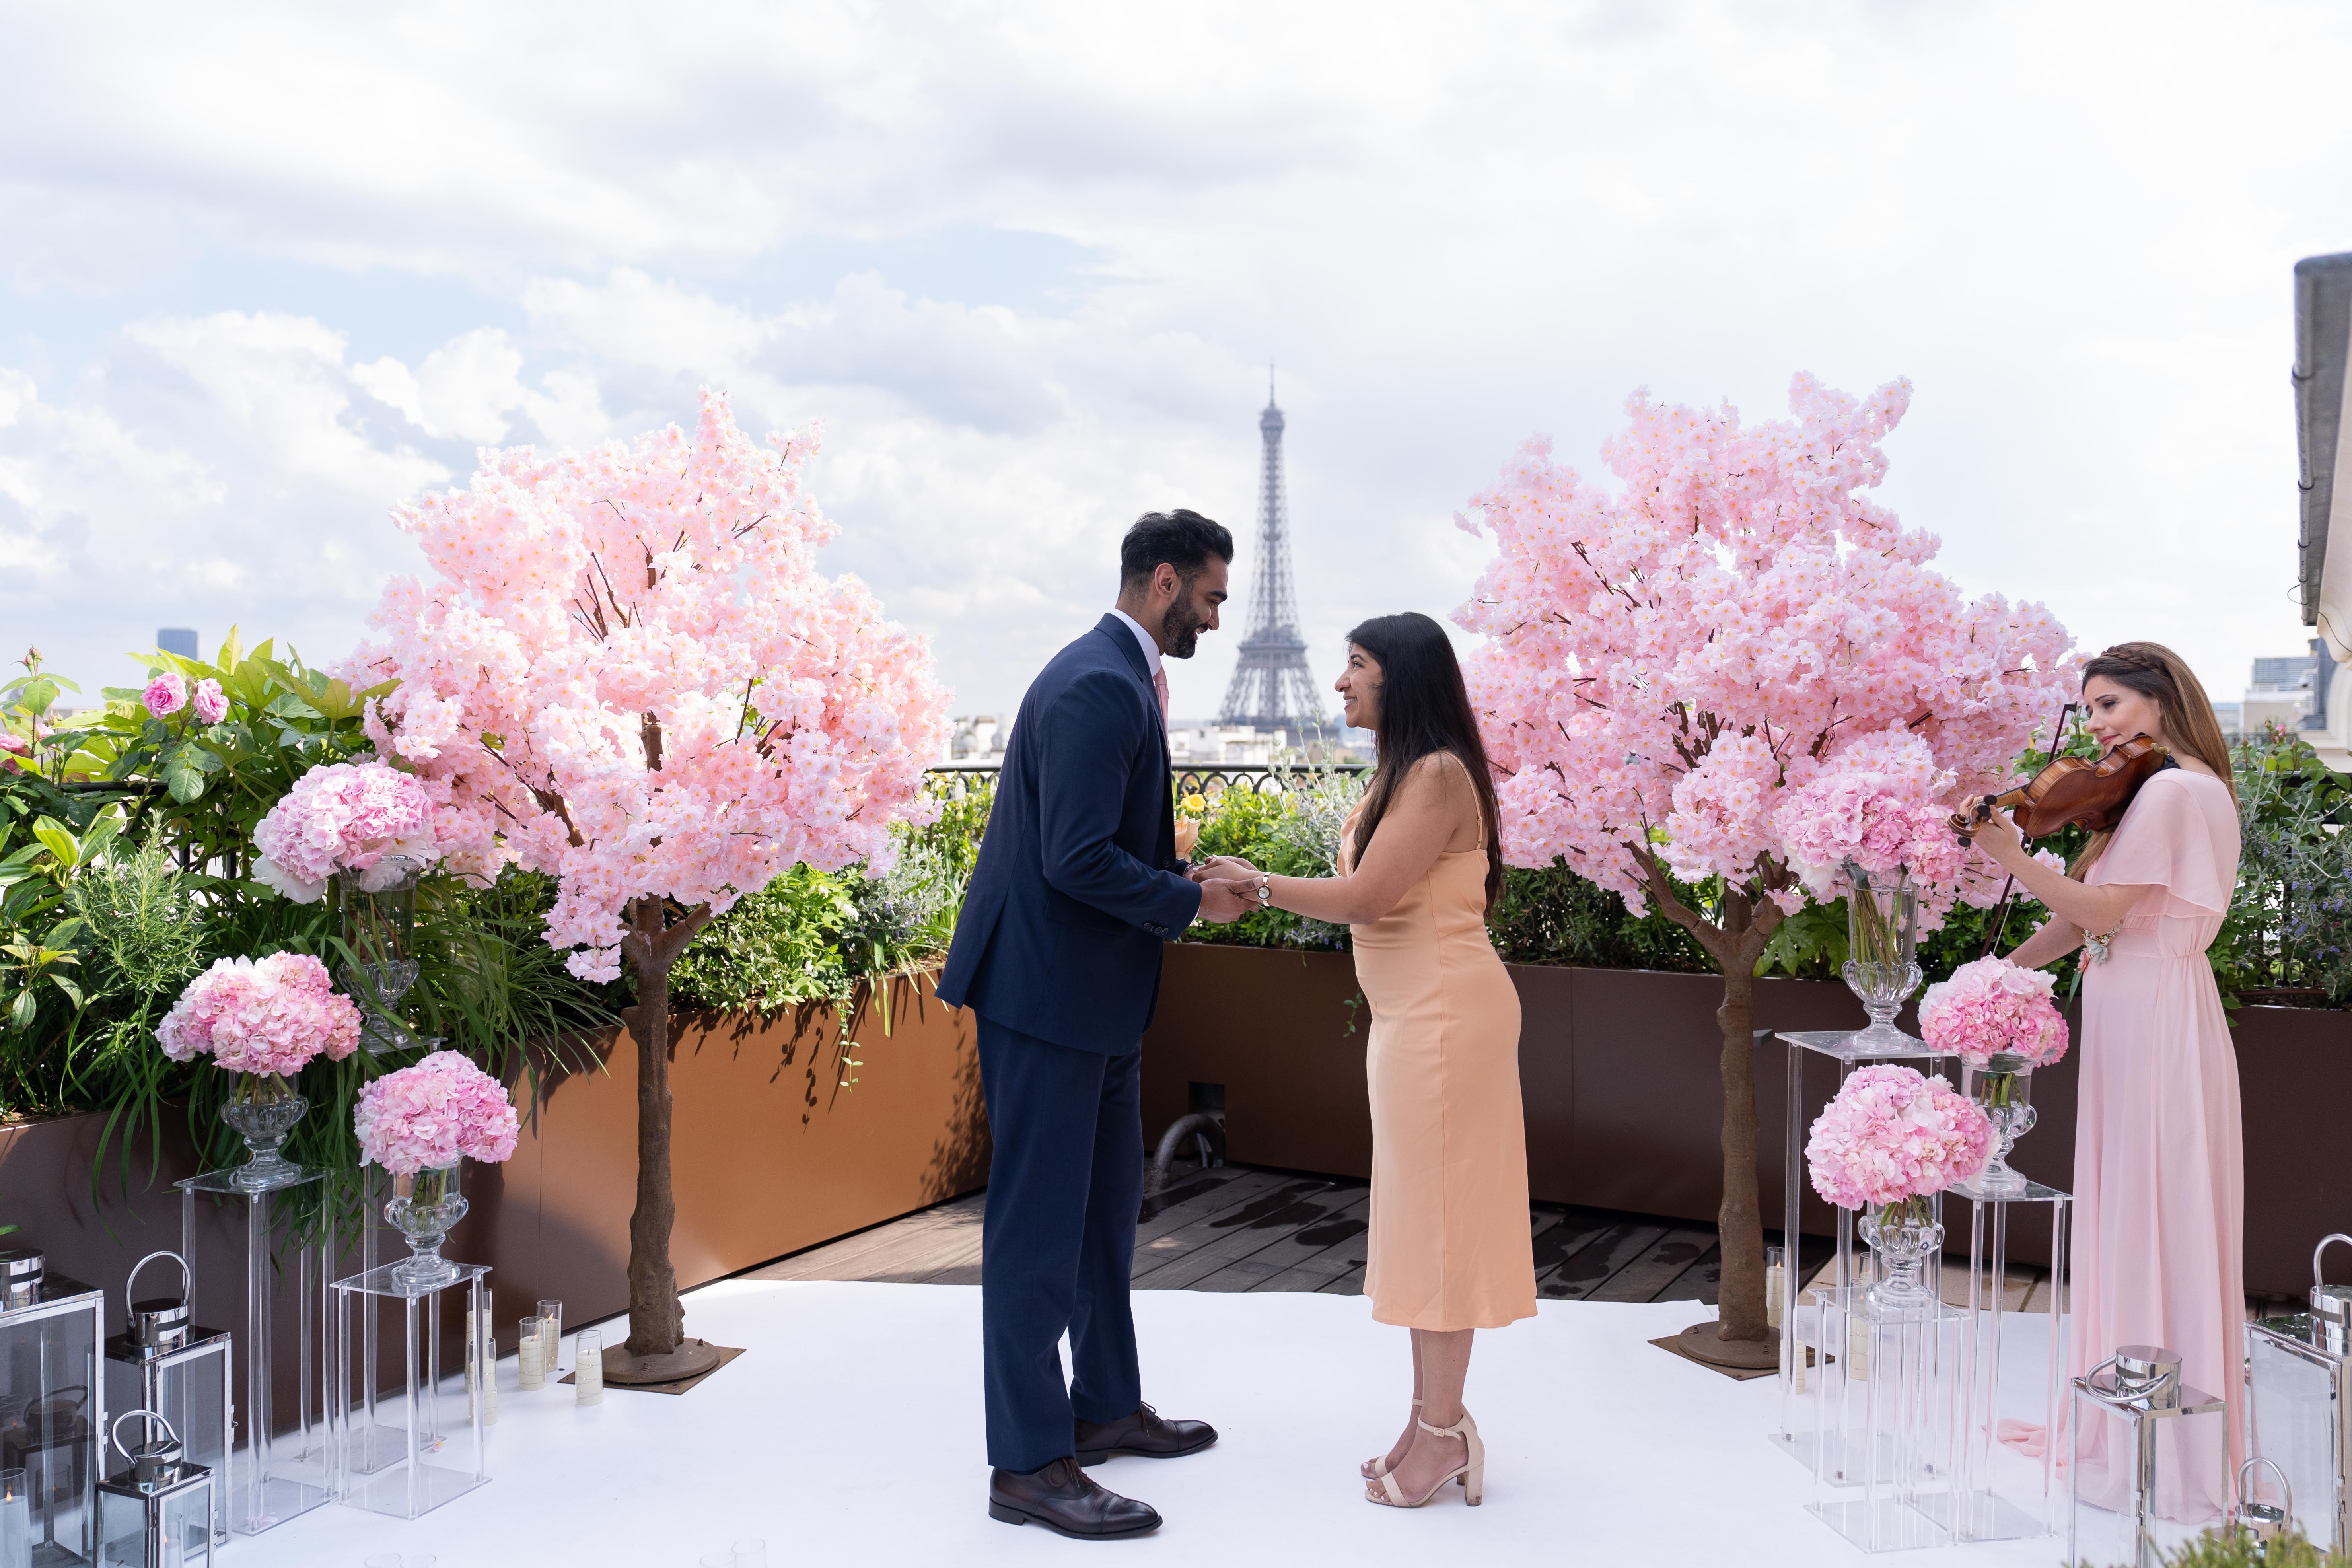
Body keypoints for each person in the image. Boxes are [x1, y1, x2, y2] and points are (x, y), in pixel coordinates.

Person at [936, 510, 1253, 1541]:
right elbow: (1072, 857)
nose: (1214, 614)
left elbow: (1092, 843)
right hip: (1046, 999)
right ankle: (1028, 1462)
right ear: (1163, 581)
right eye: (1208, 595)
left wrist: (1173, 875)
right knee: (1036, 1229)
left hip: (1092, 999)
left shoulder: (1114, 678)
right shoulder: (1096, 685)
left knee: (1104, 1213)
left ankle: (1105, 1403)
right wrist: (1188, 900)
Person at [1192, 611, 1537, 1509]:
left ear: (1401, 677)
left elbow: (1369, 897)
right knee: (1428, 1222)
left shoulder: (1432, 774)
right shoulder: (1401, 773)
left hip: (1442, 1021)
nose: (1339, 682)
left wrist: (1256, 885)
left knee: (1442, 1227)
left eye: (1355, 665)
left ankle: (1441, 1433)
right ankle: (1434, 1423)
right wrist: (1249, 880)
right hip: (1415, 1018)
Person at [1968, 642, 2243, 1522]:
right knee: (2149, 1211)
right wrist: (1996, 976)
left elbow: (2099, 914)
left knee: (2144, 1209)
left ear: (2160, 701)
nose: (2094, 728)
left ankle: (2145, 1435)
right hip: (2150, 1004)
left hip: (2152, 1015)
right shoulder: (2178, 787)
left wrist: (2008, 853)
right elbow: (2083, 923)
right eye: (2087, 711)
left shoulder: (2168, 791)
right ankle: (2142, 1413)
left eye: (2110, 705)